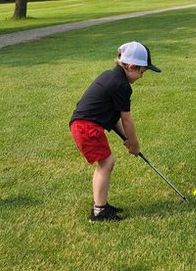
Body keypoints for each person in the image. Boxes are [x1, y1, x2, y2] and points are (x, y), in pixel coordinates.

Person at [69, 40, 161, 223]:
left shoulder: (112, 76)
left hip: (83, 125)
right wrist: (134, 144)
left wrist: (126, 138)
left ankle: (100, 205)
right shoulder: (121, 85)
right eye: (142, 72)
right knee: (106, 163)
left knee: (105, 163)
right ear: (132, 66)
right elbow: (126, 118)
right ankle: (99, 212)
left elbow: (115, 118)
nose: (141, 77)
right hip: (86, 127)